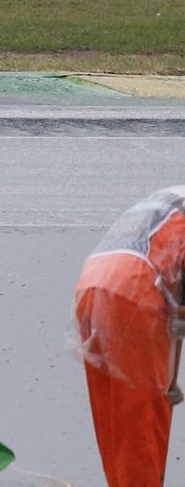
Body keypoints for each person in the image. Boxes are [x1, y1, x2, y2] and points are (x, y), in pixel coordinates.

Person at [72, 186, 185, 486]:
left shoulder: (172, 197)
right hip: (136, 291)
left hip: (93, 283)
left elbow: (178, 299)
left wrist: (169, 381)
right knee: (141, 433)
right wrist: (167, 381)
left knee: (116, 427)